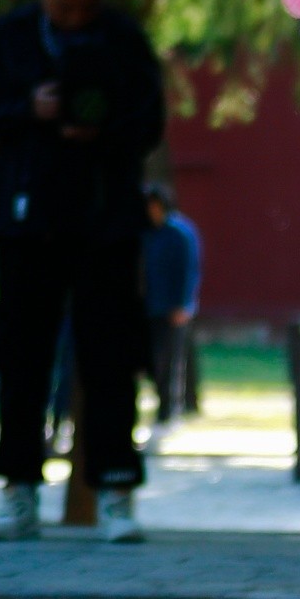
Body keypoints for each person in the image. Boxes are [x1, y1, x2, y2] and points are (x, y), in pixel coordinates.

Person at [0, 0, 165, 543]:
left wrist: (102, 126)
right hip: (27, 221)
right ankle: (18, 491)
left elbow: (150, 123)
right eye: (62, 7)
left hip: (106, 221)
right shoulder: (11, 37)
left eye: (83, 8)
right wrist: (30, 110)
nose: (73, 17)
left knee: (111, 357)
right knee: (21, 357)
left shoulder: (123, 40)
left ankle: (116, 493)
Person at [138, 183, 201, 446]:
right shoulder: (145, 234)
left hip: (171, 309)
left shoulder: (179, 233)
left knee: (169, 362)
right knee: (151, 362)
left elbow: (189, 270)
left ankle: (168, 411)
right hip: (147, 307)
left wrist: (183, 304)